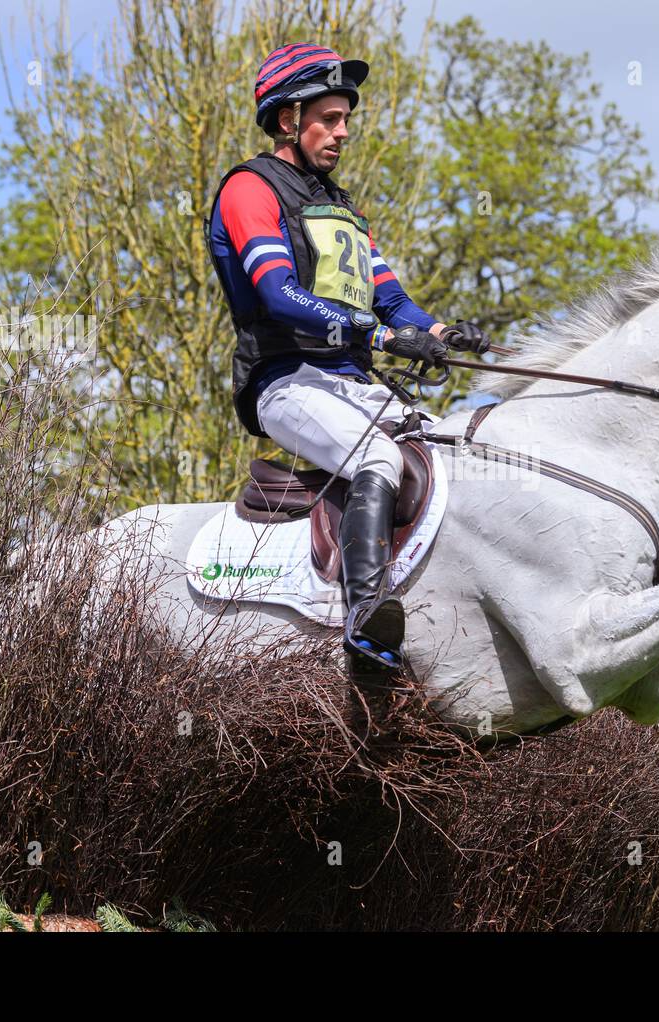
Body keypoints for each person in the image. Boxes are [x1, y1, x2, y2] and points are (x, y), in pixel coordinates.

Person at [205, 42, 490, 673]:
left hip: (349, 383)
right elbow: (279, 296)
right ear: (288, 120)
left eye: (346, 121)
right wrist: (382, 340)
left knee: (451, 452)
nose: (342, 133)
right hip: (285, 380)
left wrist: (440, 332)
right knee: (379, 456)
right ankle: (364, 622)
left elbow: (392, 302)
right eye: (328, 120)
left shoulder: (345, 210)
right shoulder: (248, 189)